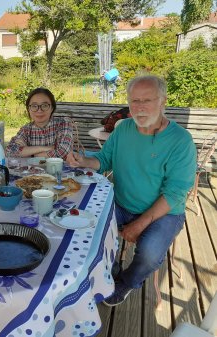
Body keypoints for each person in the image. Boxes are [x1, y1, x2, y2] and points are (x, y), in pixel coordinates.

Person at [66, 75, 196, 306]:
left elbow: (175, 193)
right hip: (123, 203)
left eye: (147, 100)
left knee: (149, 254)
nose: (140, 107)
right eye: (134, 101)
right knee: (88, 231)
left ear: (163, 101)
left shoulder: (181, 141)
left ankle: (126, 282)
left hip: (165, 213)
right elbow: (104, 159)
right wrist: (83, 161)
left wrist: (140, 223)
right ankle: (109, 266)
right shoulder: (123, 128)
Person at [5, 87, 74, 159]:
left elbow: (64, 153)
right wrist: (46, 148)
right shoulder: (26, 130)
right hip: (32, 170)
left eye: (44, 105)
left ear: (52, 108)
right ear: (29, 109)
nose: (39, 110)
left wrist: (29, 153)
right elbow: (10, 151)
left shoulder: (63, 124)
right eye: (34, 106)